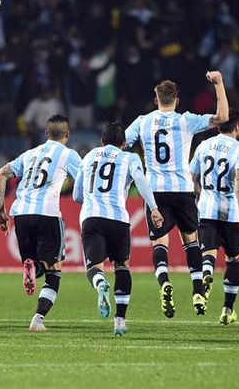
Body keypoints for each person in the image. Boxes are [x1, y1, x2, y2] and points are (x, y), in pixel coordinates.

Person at [124, 73, 228, 318]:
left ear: (155, 98)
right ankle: (197, 291)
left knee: (160, 242)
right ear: (177, 100)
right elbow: (222, 117)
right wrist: (219, 84)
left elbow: (121, 143)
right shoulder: (187, 120)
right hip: (182, 189)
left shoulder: (142, 121)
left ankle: (164, 283)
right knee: (190, 240)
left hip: (155, 190)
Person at [0, 114, 82, 332]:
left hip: (21, 213)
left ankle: (32, 266)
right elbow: (85, 181)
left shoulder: (30, 154)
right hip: (48, 213)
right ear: (67, 135)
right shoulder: (69, 154)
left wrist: (0, 210)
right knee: (54, 269)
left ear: (46, 133)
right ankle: (38, 319)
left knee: (35, 263)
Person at [72, 122, 164, 336]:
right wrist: (154, 208)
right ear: (124, 143)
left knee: (94, 267)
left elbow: (77, 196)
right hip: (118, 218)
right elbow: (140, 180)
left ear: (102, 141)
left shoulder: (89, 156)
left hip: (91, 217)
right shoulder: (129, 157)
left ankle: (100, 283)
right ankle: (120, 321)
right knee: (122, 266)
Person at [190, 109, 239, 325]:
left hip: (206, 209)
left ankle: (207, 271)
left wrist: (202, 195)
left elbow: (192, 177)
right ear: (236, 127)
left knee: (208, 251)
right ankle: (227, 310)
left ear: (218, 126)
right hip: (231, 212)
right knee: (233, 259)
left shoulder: (203, 145)